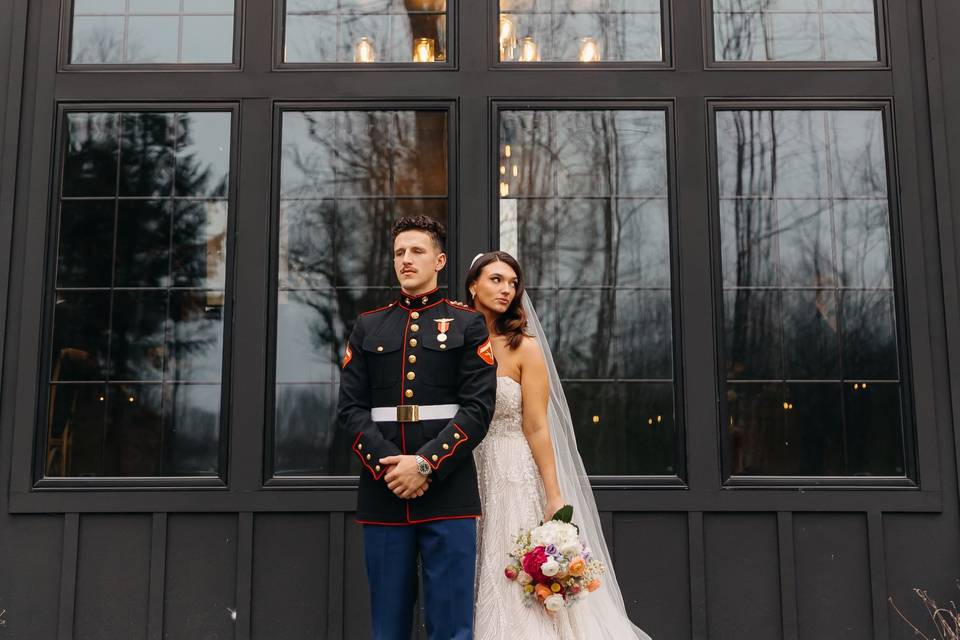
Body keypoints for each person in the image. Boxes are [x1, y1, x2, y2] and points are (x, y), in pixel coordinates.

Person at [467, 251, 653, 640]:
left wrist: (553, 494)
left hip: (511, 469)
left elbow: (536, 426)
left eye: (513, 283)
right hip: (466, 470)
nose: (506, 289)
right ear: (473, 286)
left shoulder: (524, 348)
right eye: (496, 280)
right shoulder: (457, 343)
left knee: (509, 567)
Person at [337, 217, 498, 640]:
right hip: (384, 491)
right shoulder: (369, 326)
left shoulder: (467, 324)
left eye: (417, 251)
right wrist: (392, 469)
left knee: (452, 627)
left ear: (440, 260)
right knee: (387, 627)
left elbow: (479, 409)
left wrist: (424, 464)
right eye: (399, 253)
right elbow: (351, 410)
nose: (405, 260)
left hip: (448, 491)